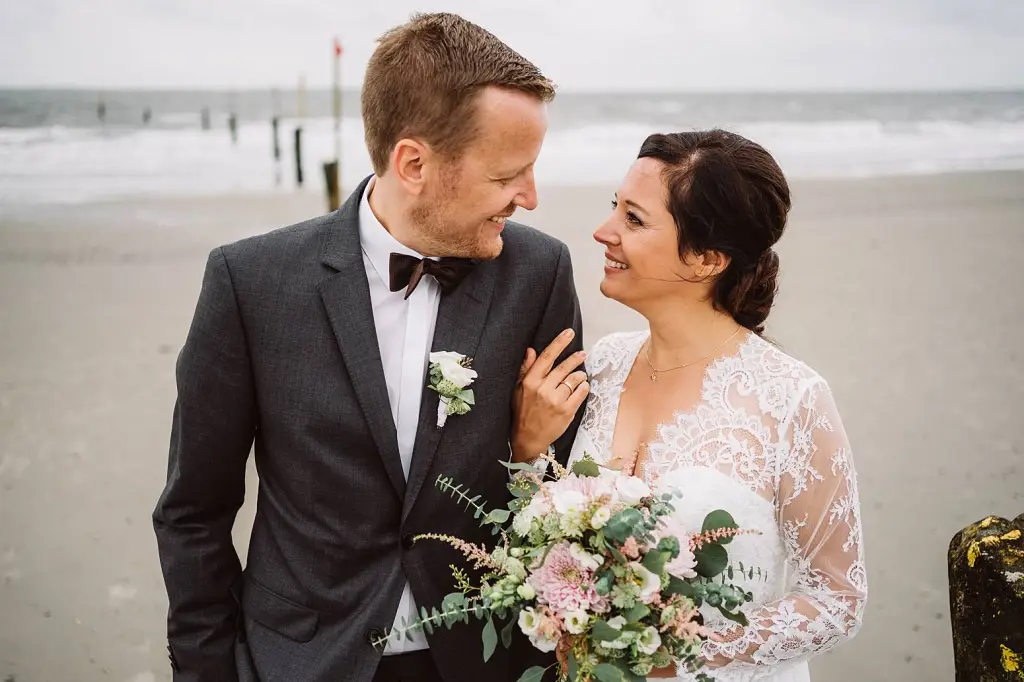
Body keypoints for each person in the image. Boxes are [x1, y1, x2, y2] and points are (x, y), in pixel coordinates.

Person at [152, 13, 588, 682]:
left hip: (484, 659)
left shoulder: (539, 273)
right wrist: (208, 670)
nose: (530, 196)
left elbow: (566, 488)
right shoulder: (250, 283)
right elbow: (195, 510)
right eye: (509, 175)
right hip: (305, 657)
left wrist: (531, 455)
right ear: (413, 163)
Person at [512, 129, 866, 681]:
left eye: (634, 219)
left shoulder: (791, 399)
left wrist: (679, 653)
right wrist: (529, 450)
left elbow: (838, 597)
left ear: (706, 258)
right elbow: (546, 537)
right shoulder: (603, 365)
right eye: (615, 209)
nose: (603, 232)